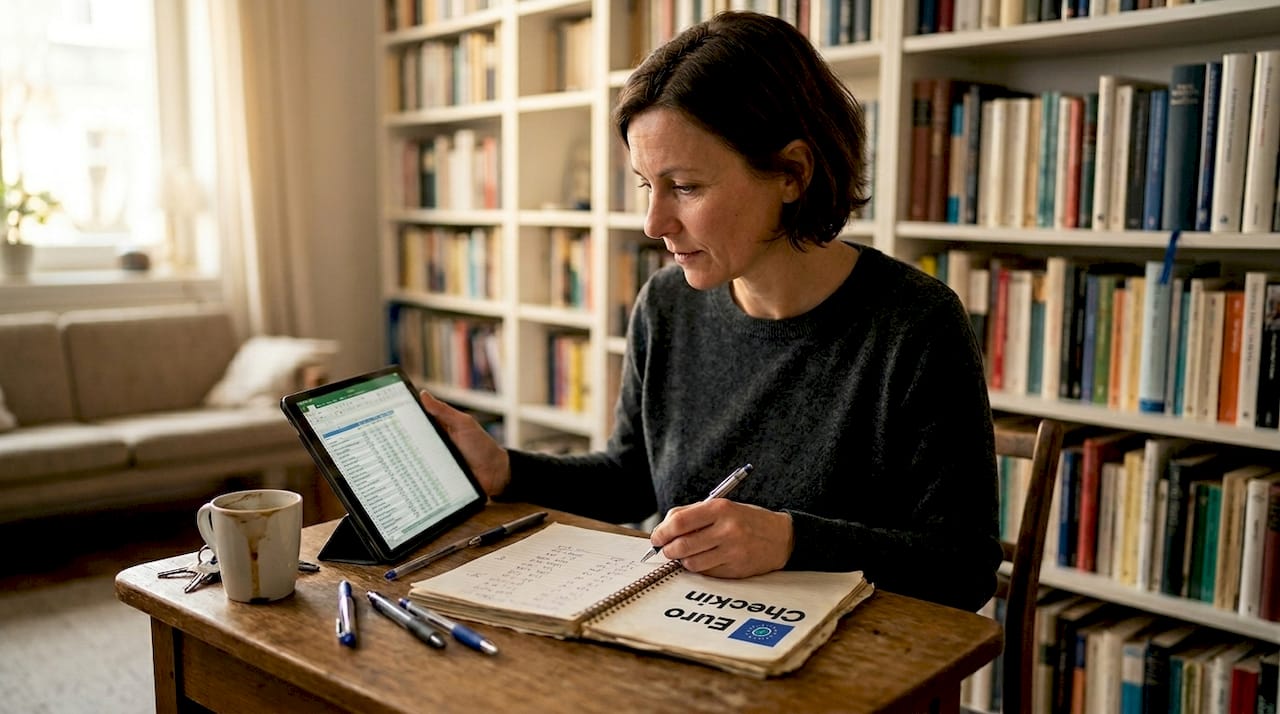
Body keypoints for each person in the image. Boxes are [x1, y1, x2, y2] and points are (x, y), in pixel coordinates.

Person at [420, 11, 1001, 612]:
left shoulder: (917, 323)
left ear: (792, 174)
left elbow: (964, 566)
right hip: (690, 639)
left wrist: (791, 540)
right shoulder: (666, 304)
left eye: (687, 187)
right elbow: (630, 478)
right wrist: (505, 469)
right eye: (647, 185)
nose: (654, 224)